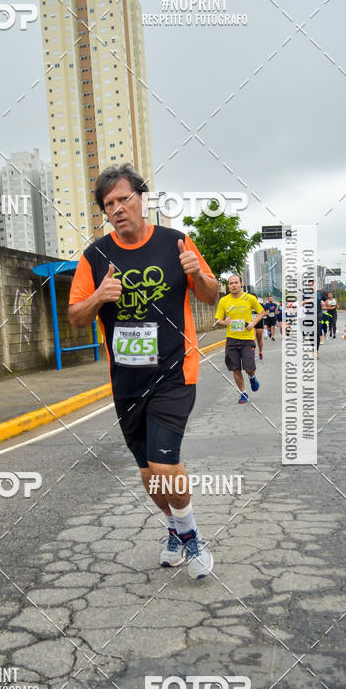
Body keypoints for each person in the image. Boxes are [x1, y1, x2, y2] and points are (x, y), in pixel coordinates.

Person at [68, 164, 219, 578]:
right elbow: (77, 316)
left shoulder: (176, 242)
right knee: (150, 473)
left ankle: (191, 537)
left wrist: (196, 274)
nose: (117, 209)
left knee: (165, 463)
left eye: (123, 199)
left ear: (141, 198)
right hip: (127, 379)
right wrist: (100, 295)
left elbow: (211, 293)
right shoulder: (95, 256)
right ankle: (173, 529)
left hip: (174, 370)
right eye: (108, 204)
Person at [214, 276, 265, 404]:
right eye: (231, 283)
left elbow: (262, 312)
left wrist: (253, 323)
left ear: (241, 284)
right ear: (228, 286)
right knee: (235, 368)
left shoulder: (249, 298)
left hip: (247, 339)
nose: (234, 285)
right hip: (232, 339)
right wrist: (224, 322)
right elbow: (217, 320)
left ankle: (252, 376)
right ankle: (243, 393)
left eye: (236, 283)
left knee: (249, 367)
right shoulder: (224, 301)